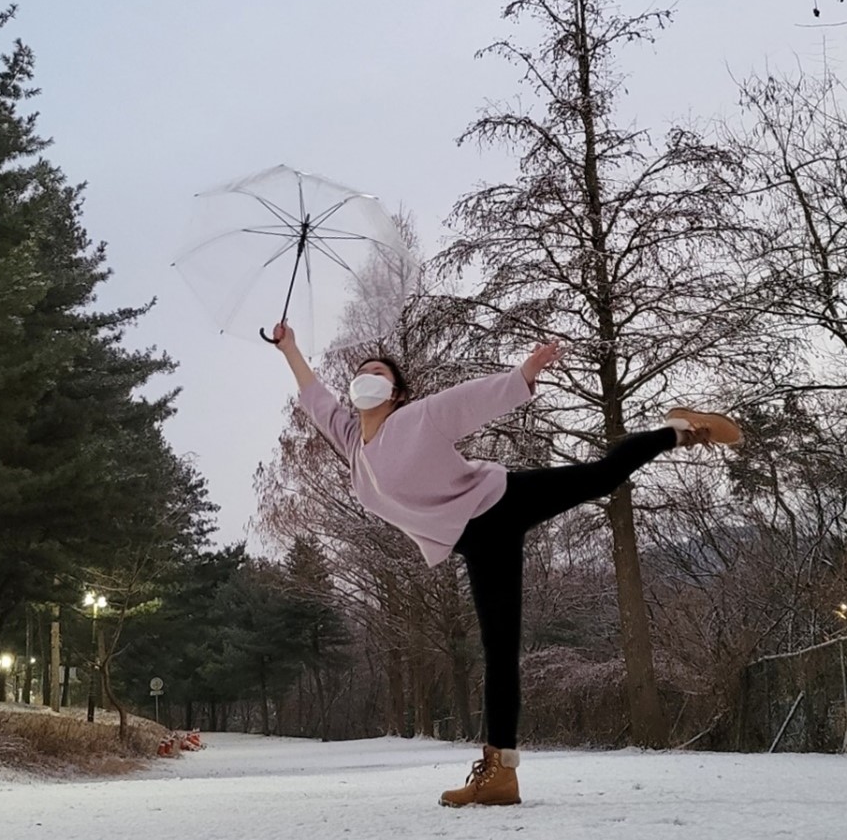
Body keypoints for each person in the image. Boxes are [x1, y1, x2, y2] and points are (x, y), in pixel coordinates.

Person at [270, 321, 741, 808]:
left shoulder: (417, 418)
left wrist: (522, 375)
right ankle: (500, 775)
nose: (366, 376)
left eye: (378, 372)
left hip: (499, 503)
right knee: (499, 651)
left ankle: (680, 430)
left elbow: (467, 401)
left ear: (397, 392)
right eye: (361, 372)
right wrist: (290, 347)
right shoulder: (352, 446)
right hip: (475, 542)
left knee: (601, 476)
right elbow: (315, 397)